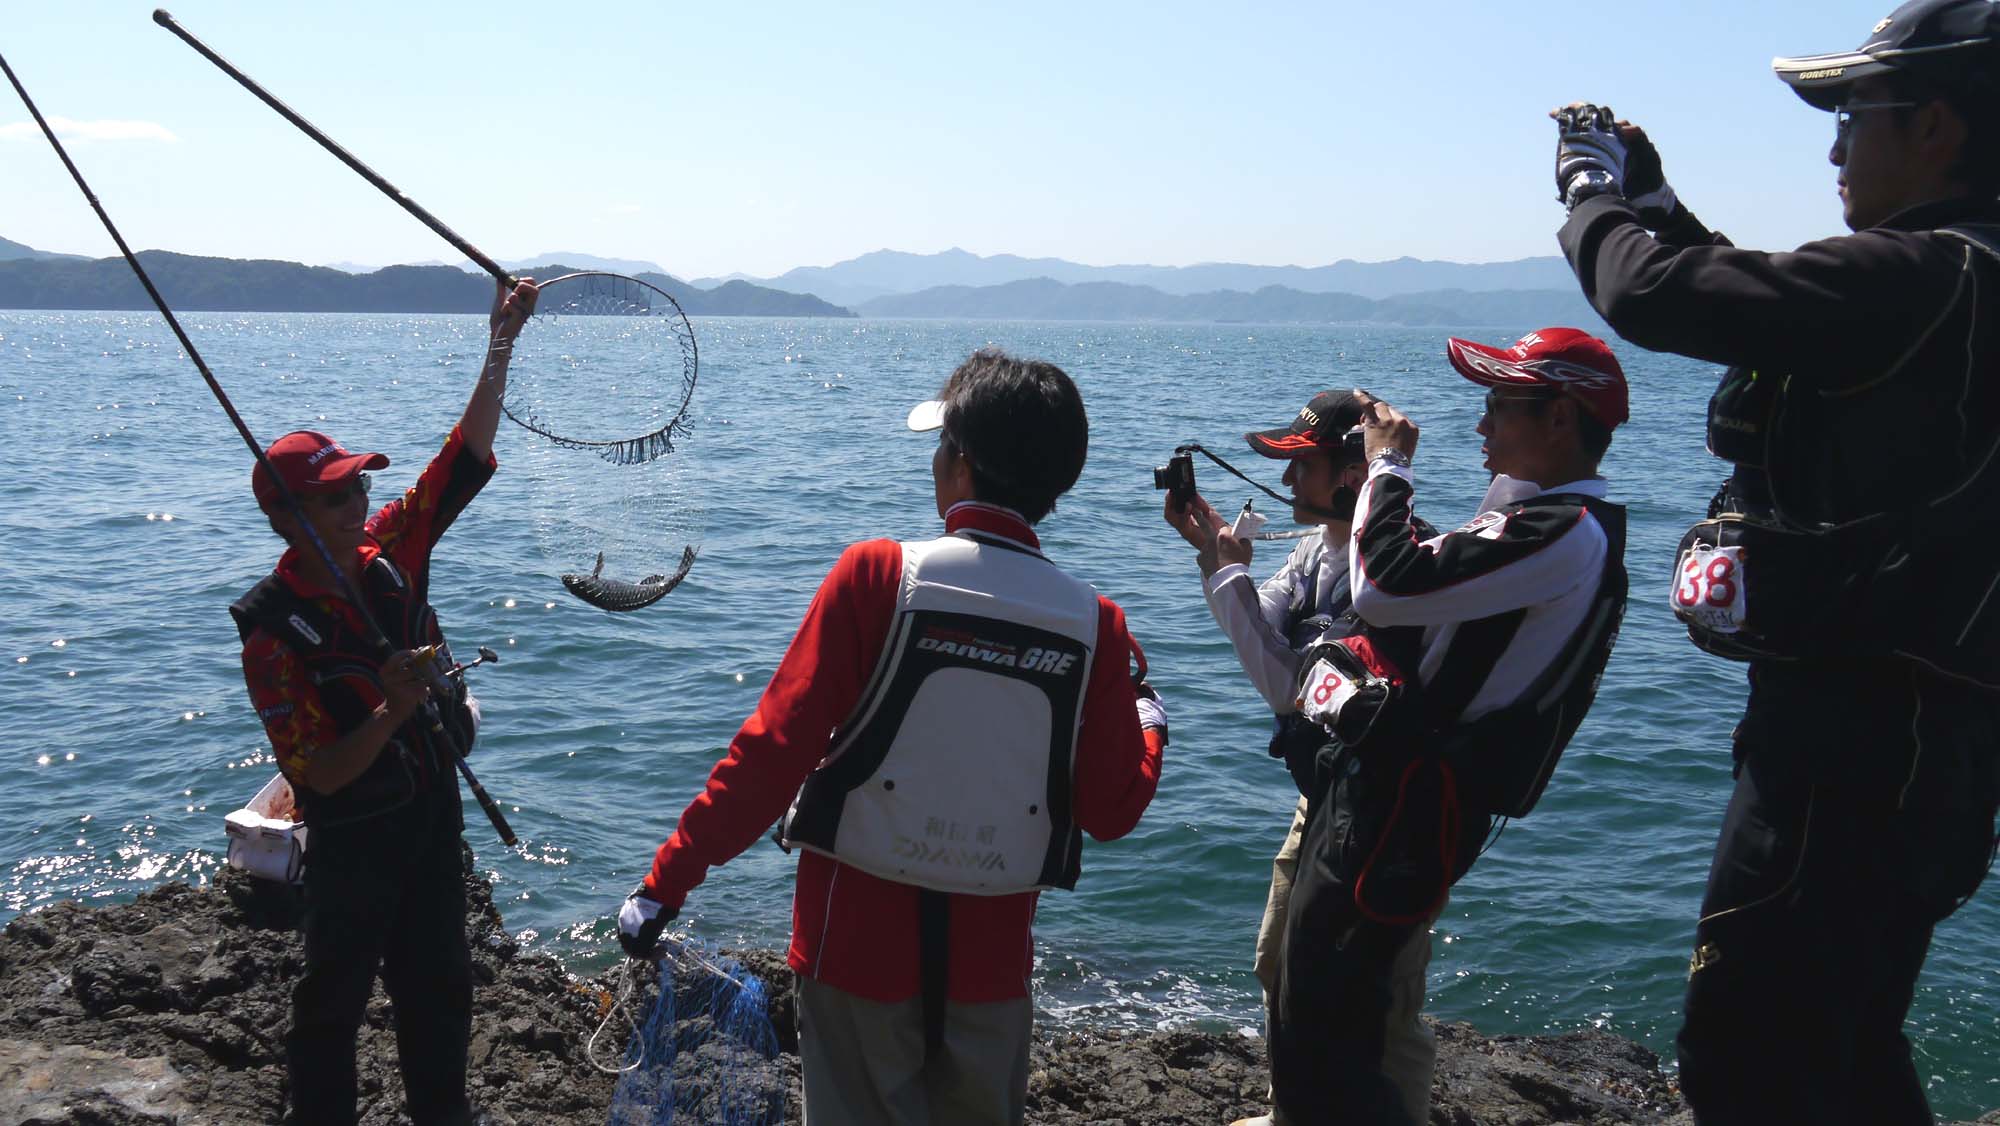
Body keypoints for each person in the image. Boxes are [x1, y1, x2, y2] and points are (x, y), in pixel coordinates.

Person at [1551, 2, 2000, 1119]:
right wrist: (1653, 200)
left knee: (1745, 1054)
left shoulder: (1919, 276)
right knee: (1844, 1041)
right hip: (1931, 746)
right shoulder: (1955, 282)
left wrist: (1587, 190)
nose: (1835, 150)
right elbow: (1765, 305)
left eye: (1855, 117)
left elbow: (1650, 293)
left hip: (1846, 748)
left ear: (1936, 125)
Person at [615, 348, 1166, 1126]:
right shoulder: (1095, 625)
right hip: (991, 973)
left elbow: (770, 758)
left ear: (962, 465)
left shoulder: (877, 577)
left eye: (942, 445)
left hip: (851, 951)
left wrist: (664, 883)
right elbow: (1111, 810)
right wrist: (1151, 724)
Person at [1265, 329, 1630, 1124]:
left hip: (1406, 804)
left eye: (1499, 404)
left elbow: (1384, 588)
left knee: (1331, 1013)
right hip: (1392, 792)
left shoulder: (1565, 529)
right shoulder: (1537, 518)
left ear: (1560, 419)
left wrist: (1389, 466)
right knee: (1314, 993)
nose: (1481, 423)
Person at [232, 278, 538, 1126]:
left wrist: (502, 342)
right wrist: (392, 710)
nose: (357, 502)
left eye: (359, 488)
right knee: (330, 1002)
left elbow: (463, 456)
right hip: (354, 842)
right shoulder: (271, 635)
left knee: (441, 990)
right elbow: (317, 775)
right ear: (288, 518)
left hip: (432, 818)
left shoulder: (392, 545)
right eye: (334, 495)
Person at [1163, 389, 1438, 1126]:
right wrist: (1214, 557)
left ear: (1353, 473)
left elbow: (1289, 688)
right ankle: (1295, 1111)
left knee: (1384, 1000)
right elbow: (1265, 628)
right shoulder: (1319, 548)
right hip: (1327, 797)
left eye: (1302, 466)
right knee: (1278, 960)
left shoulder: (1390, 568)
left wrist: (1225, 573)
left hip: (1385, 815)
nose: (1287, 481)